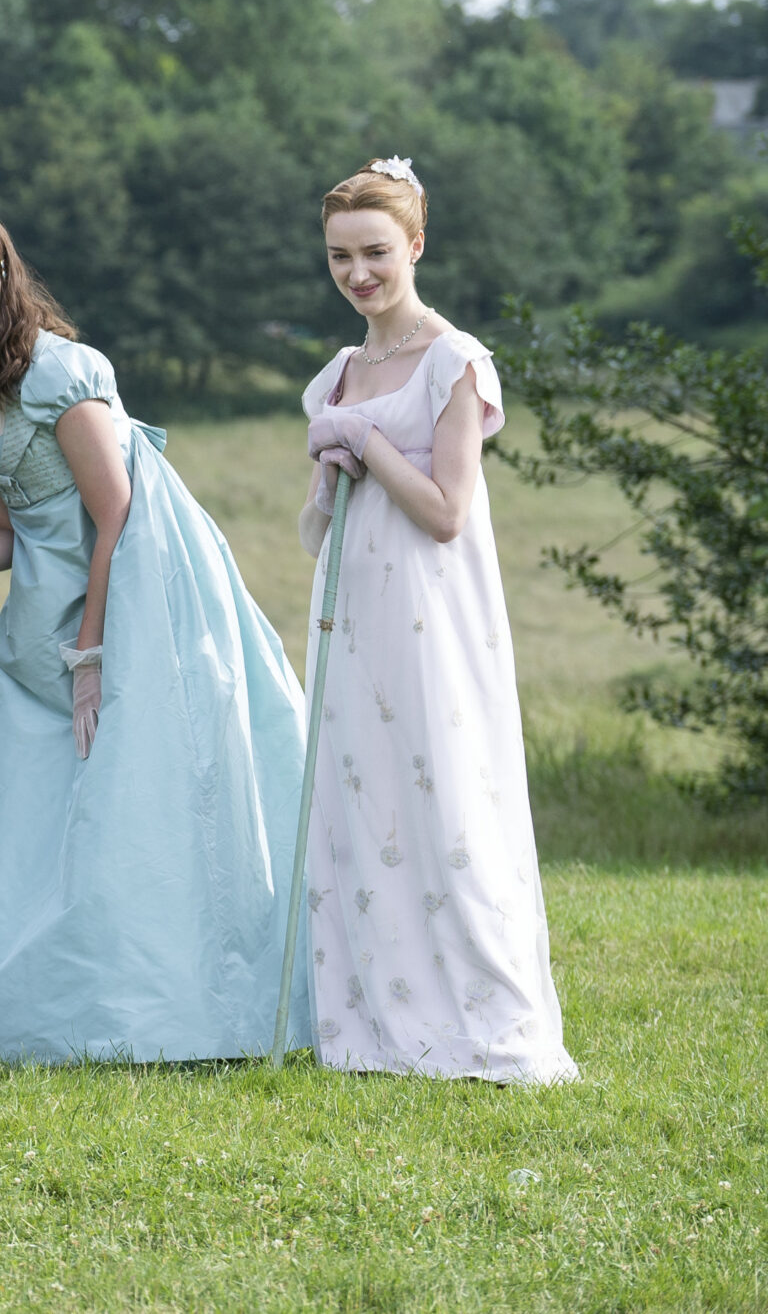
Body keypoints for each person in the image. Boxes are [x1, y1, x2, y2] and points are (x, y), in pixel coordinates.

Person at [0, 207, 311, 1064]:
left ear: (7, 281)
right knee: (43, 803)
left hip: (137, 593)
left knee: (137, 797)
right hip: (48, 603)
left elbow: (115, 516)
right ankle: (61, 1018)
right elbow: (12, 532)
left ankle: (181, 1017)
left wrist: (92, 659)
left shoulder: (59, 373)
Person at [296, 159, 578, 1083]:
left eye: (376, 252)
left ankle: (482, 1021)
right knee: (360, 799)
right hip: (350, 611)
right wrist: (332, 456)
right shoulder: (340, 371)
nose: (359, 274)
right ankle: (375, 1016)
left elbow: (448, 510)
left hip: (429, 612)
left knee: (443, 794)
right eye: (341, 257)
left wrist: (364, 440)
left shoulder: (457, 361)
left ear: (416, 245)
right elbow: (318, 521)